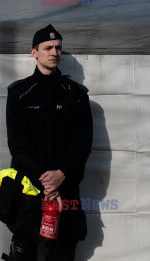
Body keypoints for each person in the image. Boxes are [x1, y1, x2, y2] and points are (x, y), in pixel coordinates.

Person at [5, 24, 93, 260]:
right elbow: (18, 144)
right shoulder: (19, 93)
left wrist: (61, 175)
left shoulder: (76, 93)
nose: (54, 52)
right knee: (22, 251)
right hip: (29, 190)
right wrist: (47, 179)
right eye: (48, 48)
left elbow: (83, 142)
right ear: (34, 52)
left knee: (63, 252)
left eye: (58, 48)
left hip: (66, 188)